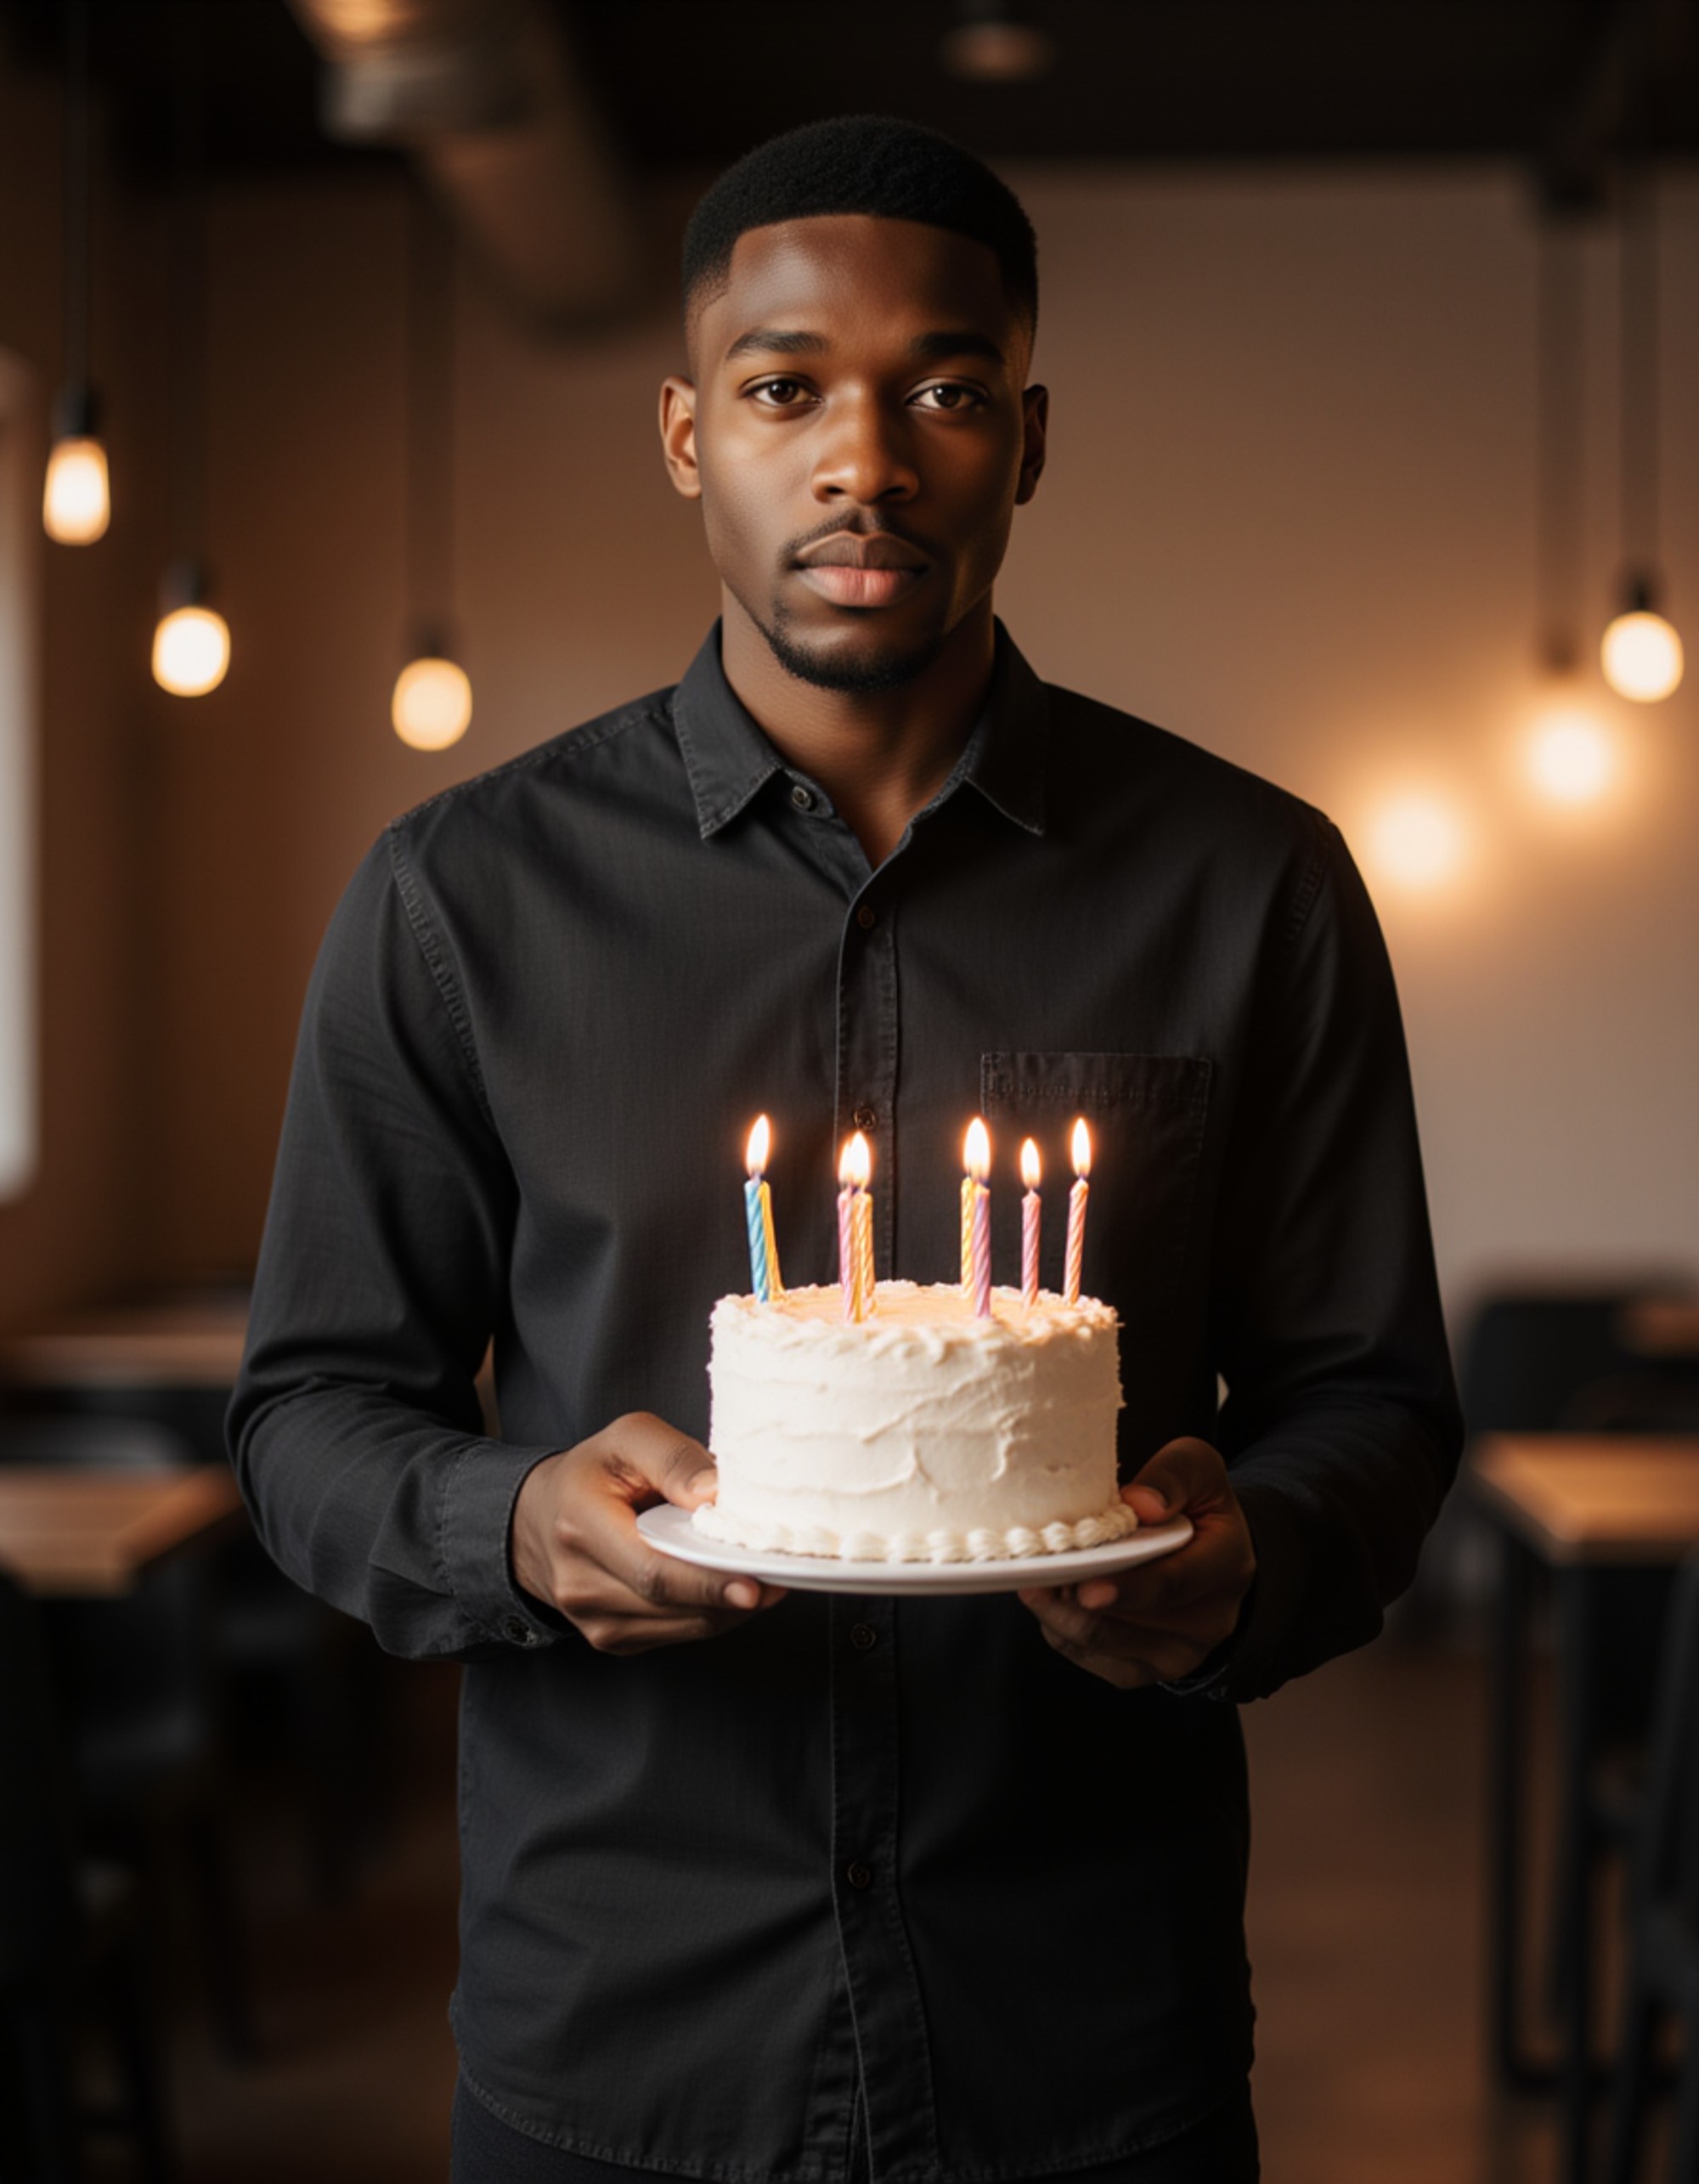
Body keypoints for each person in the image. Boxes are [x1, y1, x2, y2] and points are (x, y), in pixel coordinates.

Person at [230, 115, 1461, 2184]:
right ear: (687, 434)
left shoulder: (1254, 884)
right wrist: (521, 1519)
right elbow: (305, 1414)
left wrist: (1250, 1549)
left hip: (1084, 2034)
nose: (866, 459)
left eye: (946, 391)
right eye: (787, 387)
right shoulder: (461, 898)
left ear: (1031, 438)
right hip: (623, 2035)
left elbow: (1376, 1400)